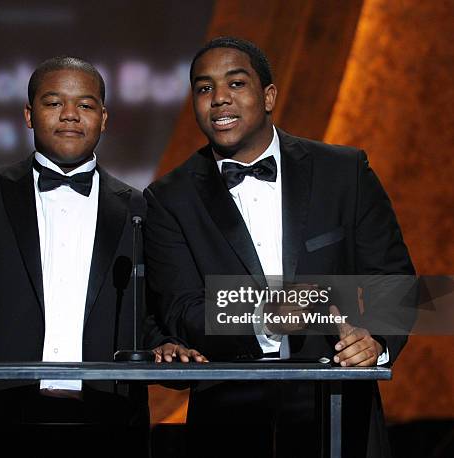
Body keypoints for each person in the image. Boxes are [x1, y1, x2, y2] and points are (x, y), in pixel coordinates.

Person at [0, 56, 204, 457]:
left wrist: (167, 345)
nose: (70, 115)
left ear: (104, 118)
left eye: (85, 105)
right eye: (54, 103)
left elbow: (149, 314)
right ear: (29, 115)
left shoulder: (139, 210)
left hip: (108, 422)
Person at [144, 37, 416, 457]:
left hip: (337, 409)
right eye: (204, 88)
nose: (219, 99)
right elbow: (182, 310)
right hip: (228, 417)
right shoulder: (169, 197)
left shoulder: (344, 171)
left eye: (235, 83)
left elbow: (394, 279)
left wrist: (377, 342)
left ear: (268, 96)